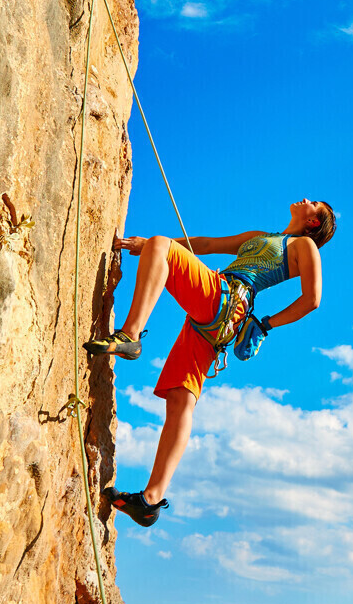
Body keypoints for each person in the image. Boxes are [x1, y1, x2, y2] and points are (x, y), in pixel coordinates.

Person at [85, 198, 335, 526]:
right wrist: (147, 247)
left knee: (162, 245)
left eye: (313, 204)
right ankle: (150, 500)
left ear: (314, 222)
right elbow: (203, 245)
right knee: (180, 399)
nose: (305, 200)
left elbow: (312, 299)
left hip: (228, 299)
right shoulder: (261, 236)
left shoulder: (304, 245)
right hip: (220, 320)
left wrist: (266, 325)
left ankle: (130, 335)